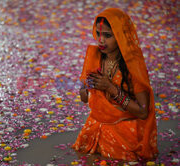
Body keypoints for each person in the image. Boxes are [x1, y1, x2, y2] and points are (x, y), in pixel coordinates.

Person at [72, 8, 158, 161]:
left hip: (124, 131)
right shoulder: (94, 56)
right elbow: (84, 98)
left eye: (107, 35)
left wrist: (110, 88)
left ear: (121, 36)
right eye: (98, 34)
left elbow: (143, 112)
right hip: (94, 127)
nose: (101, 40)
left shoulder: (133, 65)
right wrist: (85, 88)